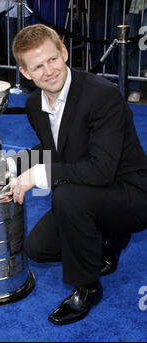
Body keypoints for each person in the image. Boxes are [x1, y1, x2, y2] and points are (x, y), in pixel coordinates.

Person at [8, 24, 147, 325]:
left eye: (53, 59)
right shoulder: (34, 104)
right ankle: (107, 240)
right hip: (90, 190)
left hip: (130, 193)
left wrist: (38, 175)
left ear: (65, 53)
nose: (49, 71)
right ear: (25, 73)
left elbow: (101, 169)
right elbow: (51, 147)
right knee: (38, 248)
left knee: (66, 195)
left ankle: (87, 287)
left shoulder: (102, 95)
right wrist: (10, 168)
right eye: (38, 66)